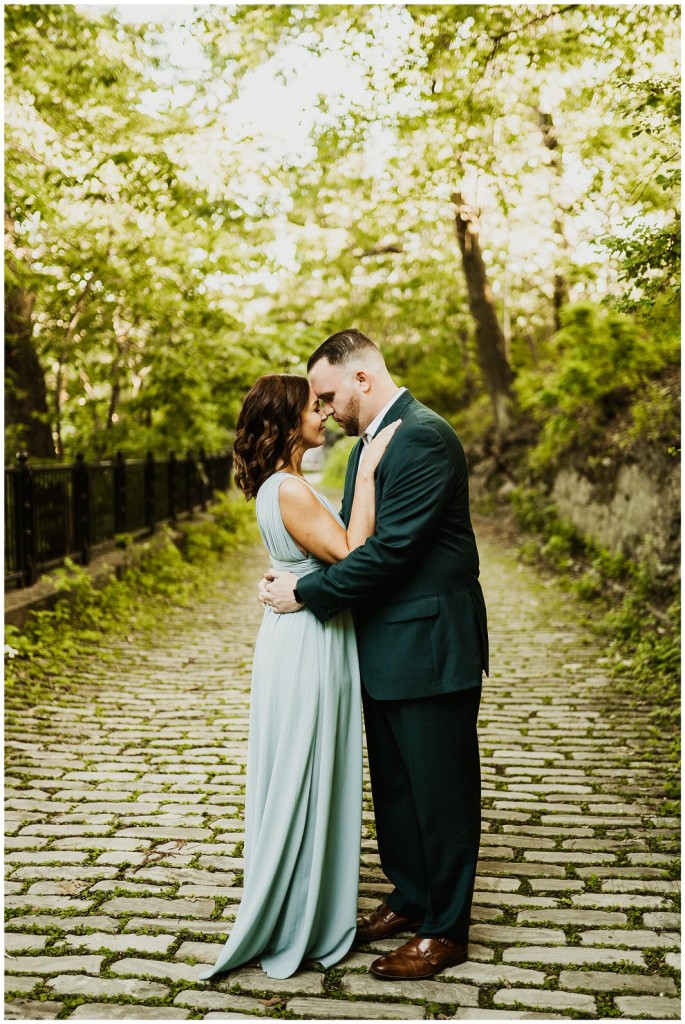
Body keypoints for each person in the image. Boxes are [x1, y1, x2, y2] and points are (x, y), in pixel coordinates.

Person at [262, 329, 488, 981]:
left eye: (328, 394)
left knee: (440, 789)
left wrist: (305, 592)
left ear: (361, 377)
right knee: (396, 785)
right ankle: (410, 895)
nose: (324, 409)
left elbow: (390, 552)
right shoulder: (373, 440)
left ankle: (445, 929)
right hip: (385, 642)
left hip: (429, 641)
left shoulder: (419, 435)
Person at [199, 373, 400, 981]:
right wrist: (365, 475)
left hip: (300, 632)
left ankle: (304, 903)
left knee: (305, 764)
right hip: (310, 639)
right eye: (313, 406)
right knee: (307, 768)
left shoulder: (278, 485)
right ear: (287, 423)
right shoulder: (288, 488)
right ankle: (298, 914)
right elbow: (357, 553)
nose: (324, 411)